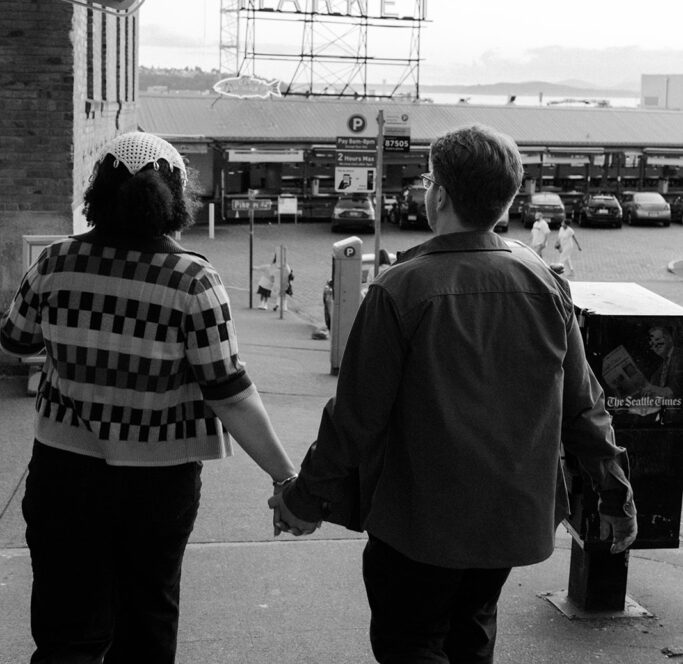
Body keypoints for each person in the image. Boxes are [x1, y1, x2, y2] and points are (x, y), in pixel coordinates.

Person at [269, 124, 637, 664]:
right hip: (509, 523)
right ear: (508, 200)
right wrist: (615, 492)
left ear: (437, 194)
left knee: (411, 643)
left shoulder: (401, 289)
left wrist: (303, 502)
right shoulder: (545, 283)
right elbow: (584, 405)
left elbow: (354, 421)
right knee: (472, 634)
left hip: (420, 526)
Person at [0, 131, 298, 664]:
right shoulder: (192, 278)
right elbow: (228, 394)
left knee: (66, 630)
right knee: (146, 625)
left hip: (63, 475)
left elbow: (15, 340)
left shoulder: (55, 263)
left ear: (99, 191)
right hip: (157, 486)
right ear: (175, 196)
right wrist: (285, 477)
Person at [640, 324, 683, 421]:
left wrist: (651, 388)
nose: (654, 346)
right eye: (651, 344)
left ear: (669, 339)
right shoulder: (661, 368)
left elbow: (673, 391)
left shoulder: (680, 357)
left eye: (658, 340)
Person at [272, 249, 294, 313]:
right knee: (283, 294)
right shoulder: (284, 264)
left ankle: (279, 305)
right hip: (283, 281)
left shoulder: (278, 264)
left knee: (281, 293)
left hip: (282, 281)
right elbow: (289, 272)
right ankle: (283, 306)